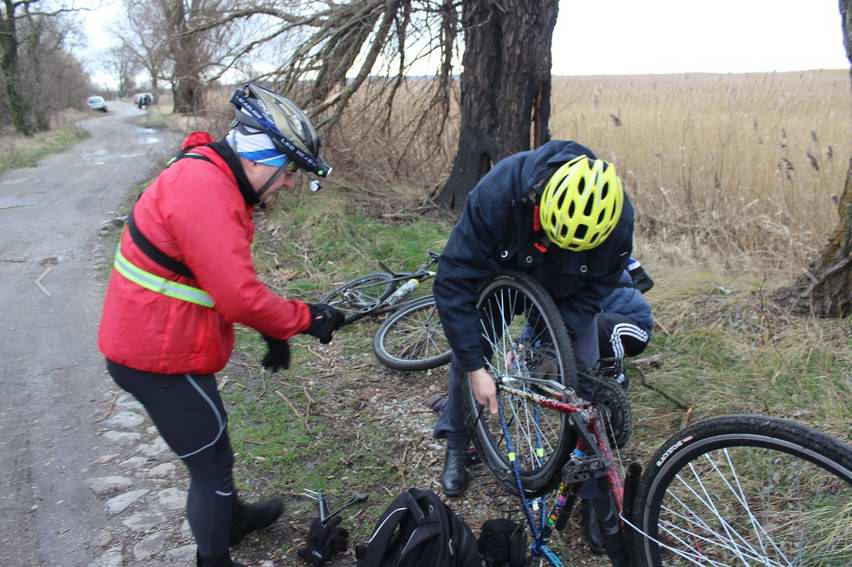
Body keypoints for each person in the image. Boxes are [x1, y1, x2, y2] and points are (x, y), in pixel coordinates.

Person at [98, 83, 345, 567]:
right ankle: (214, 556)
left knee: (213, 440)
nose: (289, 183)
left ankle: (230, 520)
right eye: (287, 171)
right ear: (258, 161)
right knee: (210, 464)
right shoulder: (207, 191)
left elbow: (215, 279)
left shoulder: (209, 173)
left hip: (160, 339)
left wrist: (271, 329)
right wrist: (303, 319)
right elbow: (237, 296)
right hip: (158, 356)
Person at [432, 140, 634, 500]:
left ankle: (584, 479)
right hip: (502, 271)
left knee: (579, 376)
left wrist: (541, 344)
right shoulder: (499, 193)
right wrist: (477, 367)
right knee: (469, 353)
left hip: (568, 290)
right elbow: (453, 281)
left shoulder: (618, 224)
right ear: (540, 199)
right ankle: (458, 444)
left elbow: (598, 288)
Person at [595, 258, 654, 389]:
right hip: (605, 327)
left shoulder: (598, 259)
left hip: (636, 328)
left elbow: (645, 281)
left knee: (602, 324)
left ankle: (615, 380)